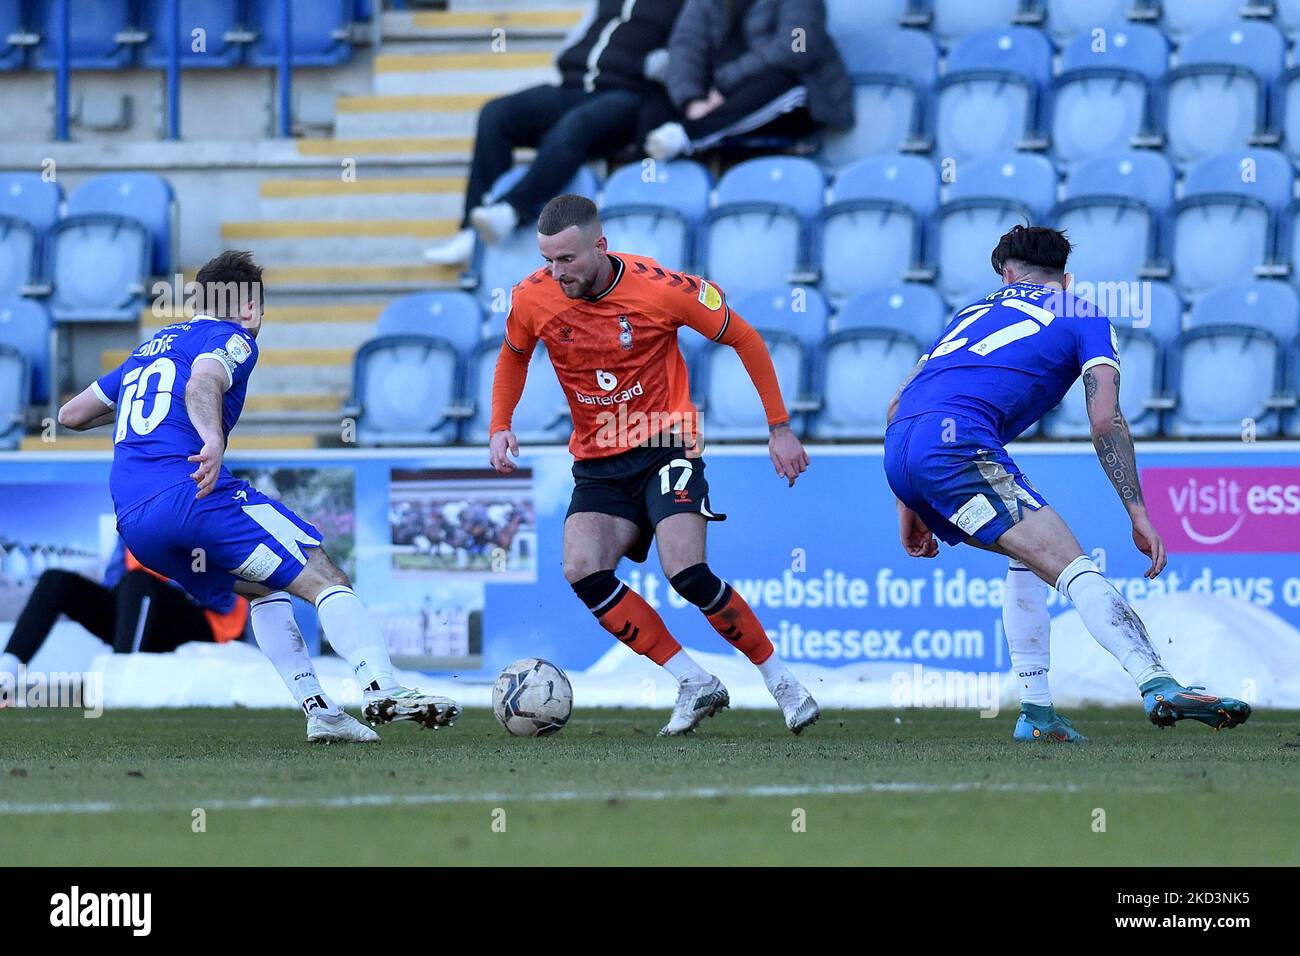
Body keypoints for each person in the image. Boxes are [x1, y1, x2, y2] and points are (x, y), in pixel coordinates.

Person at [55, 251, 458, 743]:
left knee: (259, 588)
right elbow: (204, 380)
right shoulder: (231, 337)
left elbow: (71, 414)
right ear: (249, 309)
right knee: (323, 574)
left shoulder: (149, 350)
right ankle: (381, 686)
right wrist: (212, 438)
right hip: (192, 493)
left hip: (136, 524)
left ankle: (320, 709)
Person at [883, 225, 1251, 742]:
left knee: (1028, 555)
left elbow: (898, 404)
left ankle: (1036, 713)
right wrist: (1138, 511)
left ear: (1007, 276)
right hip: (958, 446)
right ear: (1066, 277)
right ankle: (1158, 682)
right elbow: (1105, 421)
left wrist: (909, 507)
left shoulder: (969, 312)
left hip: (901, 448)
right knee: (1073, 567)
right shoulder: (1083, 314)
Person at [488, 193, 819, 736]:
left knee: (685, 571)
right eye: (548, 260)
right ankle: (692, 680)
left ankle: (780, 681)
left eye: (567, 260)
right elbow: (513, 354)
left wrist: (779, 428)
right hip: (597, 461)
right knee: (581, 568)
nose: (556, 272)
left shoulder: (660, 288)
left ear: (600, 246)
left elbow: (745, 337)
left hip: (668, 444)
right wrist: (501, 423)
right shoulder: (532, 297)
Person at [423, 0, 683, 266]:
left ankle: (511, 210)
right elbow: (582, 31)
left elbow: (688, 49)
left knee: (574, 125)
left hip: (628, 93)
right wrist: (569, 55)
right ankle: (472, 230)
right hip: (574, 85)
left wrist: (652, 65)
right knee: (496, 114)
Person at [0, 539, 248, 679]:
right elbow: (113, 582)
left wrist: (167, 575)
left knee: (138, 580)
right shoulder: (132, 522)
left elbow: (220, 595)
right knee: (56, 580)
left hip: (204, 625)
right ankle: (6, 674)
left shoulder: (200, 517)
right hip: (140, 614)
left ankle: (119, 678)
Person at [642, 0, 853, 162]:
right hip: (718, 97)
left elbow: (797, 48)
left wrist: (725, 86)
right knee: (653, 107)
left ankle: (687, 137)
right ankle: (647, 189)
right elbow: (686, 45)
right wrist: (691, 100)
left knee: (777, 84)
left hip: (793, 95)